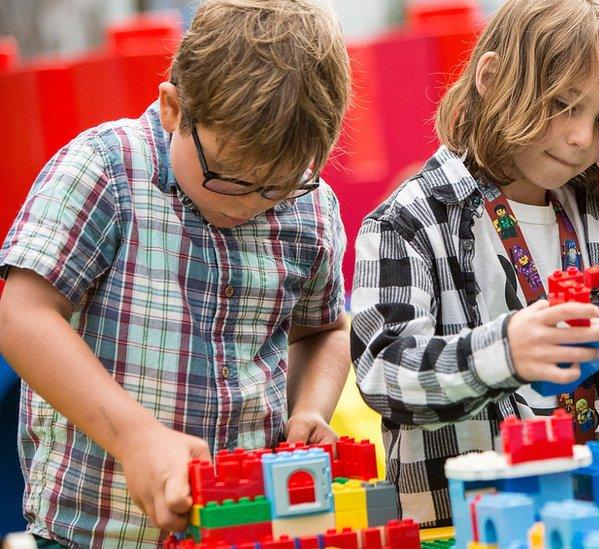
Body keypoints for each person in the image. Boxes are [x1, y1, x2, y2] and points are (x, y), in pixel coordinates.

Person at [351, 0, 599, 528]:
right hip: (468, 527)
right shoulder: (410, 220)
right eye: (565, 104)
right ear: (493, 77)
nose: (581, 138)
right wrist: (507, 352)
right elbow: (382, 372)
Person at [0, 0, 351, 545]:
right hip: (99, 528)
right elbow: (22, 316)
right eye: (227, 177)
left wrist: (308, 410)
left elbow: (324, 328)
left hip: (248, 527)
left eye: (277, 186)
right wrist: (136, 439)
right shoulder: (105, 170)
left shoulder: (311, 208)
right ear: (173, 109)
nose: (249, 204)